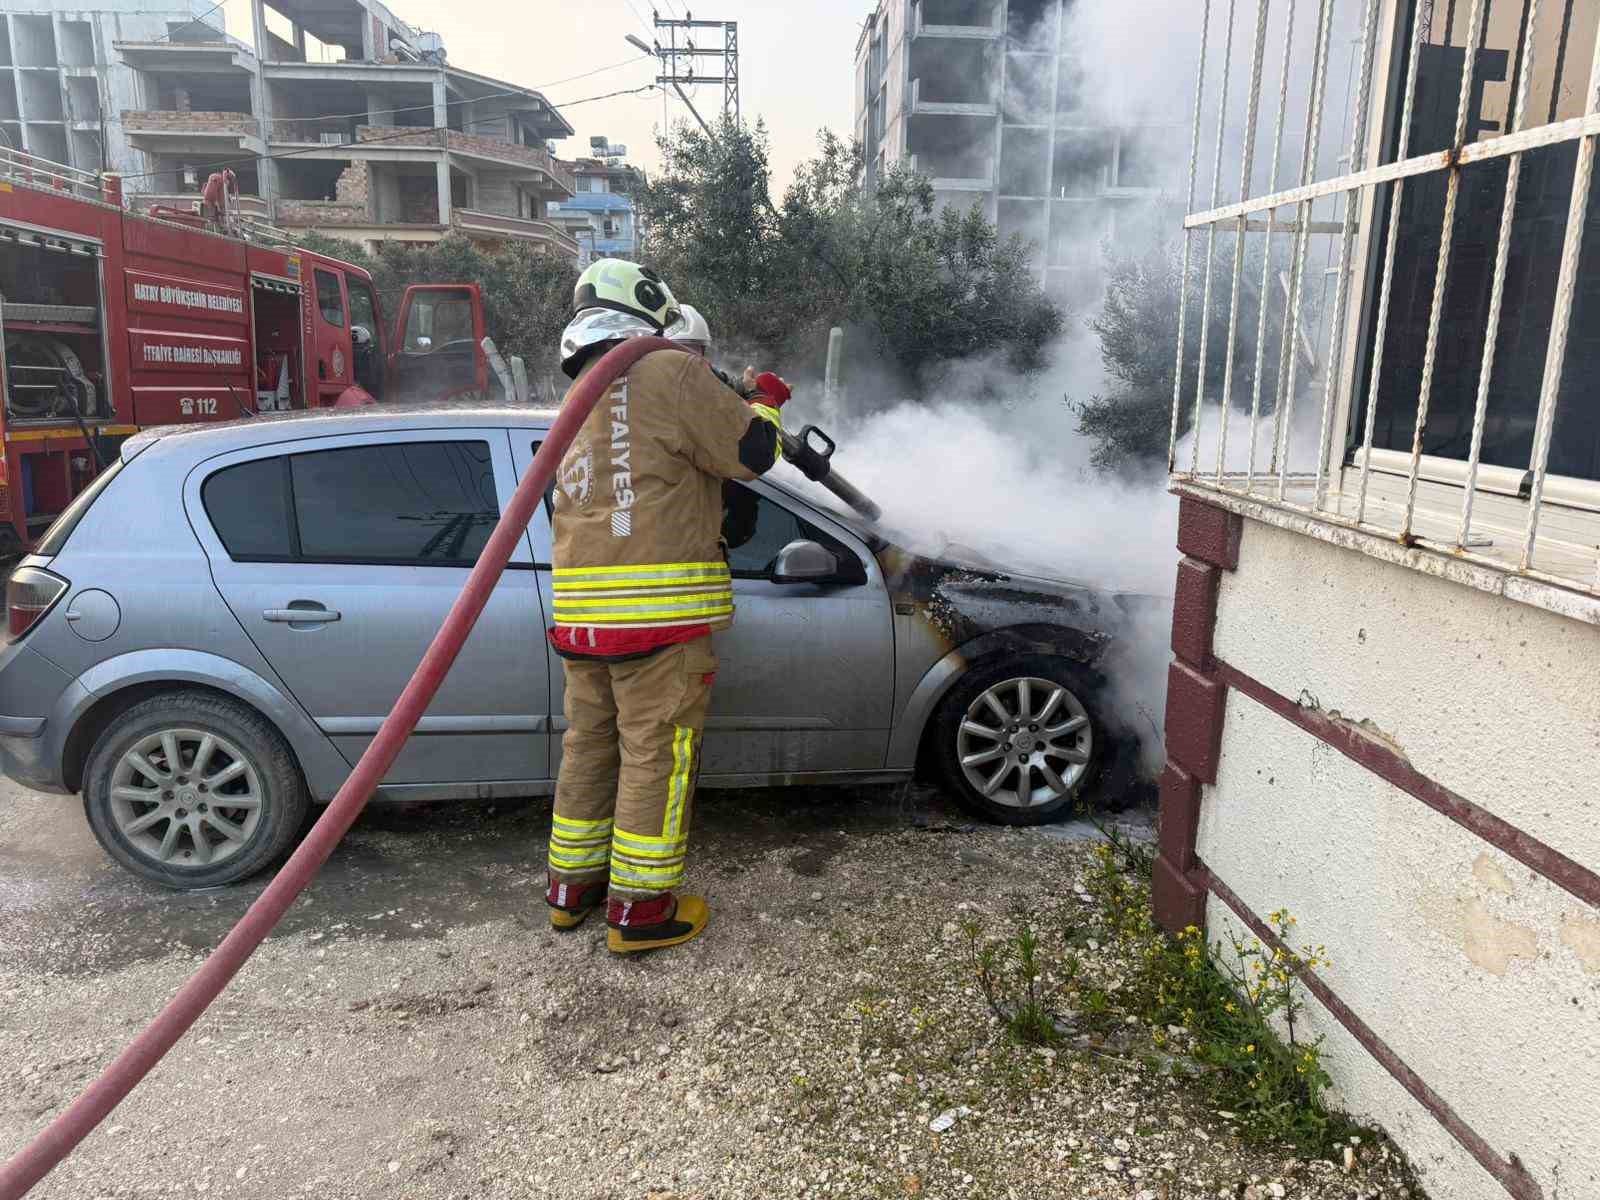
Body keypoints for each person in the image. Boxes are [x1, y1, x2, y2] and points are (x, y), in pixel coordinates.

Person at [544, 259, 786, 954]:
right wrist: (764, 397)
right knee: (658, 756)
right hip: (659, 620)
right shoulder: (669, 370)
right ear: (647, 304)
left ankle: (572, 891)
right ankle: (642, 912)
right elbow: (753, 451)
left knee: (588, 748)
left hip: (584, 619)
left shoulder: (579, 395)